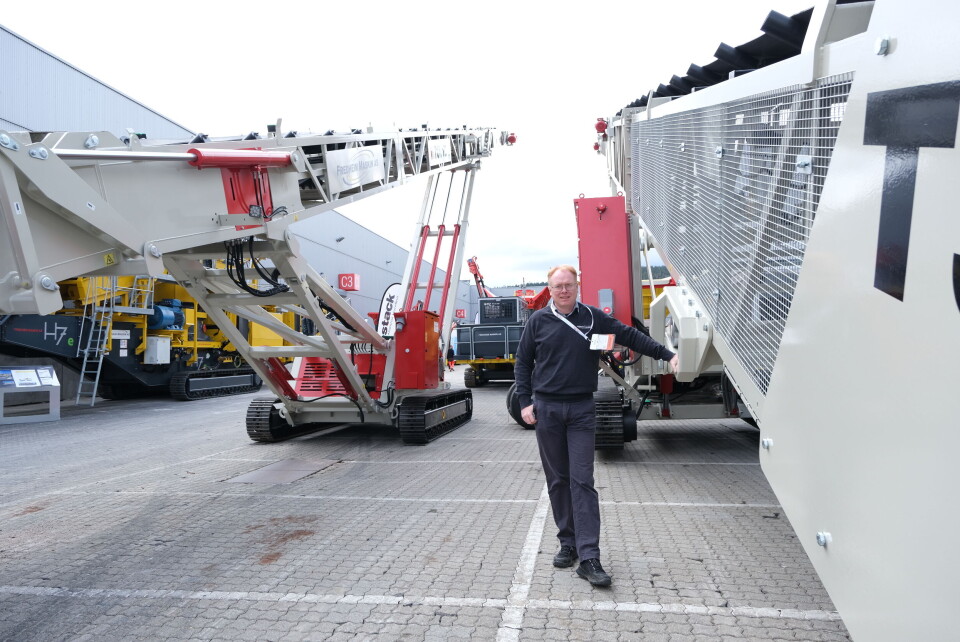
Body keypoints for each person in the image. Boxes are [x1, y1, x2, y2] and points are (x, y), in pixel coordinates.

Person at [514, 265, 679, 587]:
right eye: (558, 286)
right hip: (547, 409)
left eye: (568, 285)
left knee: (583, 481)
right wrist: (524, 401)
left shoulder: (592, 317)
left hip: (581, 409)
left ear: (577, 286)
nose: (564, 290)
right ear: (550, 290)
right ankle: (568, 542)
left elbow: (630, 335)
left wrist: (666, 354)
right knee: (558, 480)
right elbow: (523, 362)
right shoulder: (538, 321)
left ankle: (589, 556)